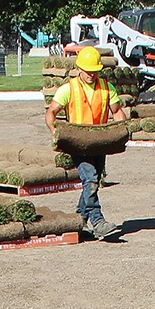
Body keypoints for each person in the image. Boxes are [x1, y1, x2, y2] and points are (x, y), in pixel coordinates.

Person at [45, 46, 126, 240]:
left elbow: (117, 112)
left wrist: (123, 131)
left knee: (94, 181)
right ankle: (98, 222)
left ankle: (77, 222)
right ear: (80, 68)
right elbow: (51, 112)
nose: (91, 74)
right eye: (88, 70)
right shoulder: (69, 89)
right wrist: (55, 131)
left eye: (95, 71)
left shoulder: (107, 88)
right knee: (89, 179)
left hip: (99, 143)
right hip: (78, 144)